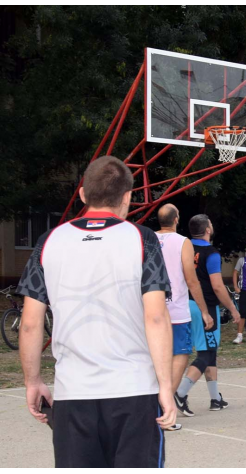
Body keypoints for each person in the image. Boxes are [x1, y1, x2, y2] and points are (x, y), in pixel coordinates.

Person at [17, 156, 175, 467]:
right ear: (128, 197)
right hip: (134, 391)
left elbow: (30, 324)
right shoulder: (143, 240)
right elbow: (156, 317)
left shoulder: (49, 241)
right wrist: (166, 386)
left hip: (72, 393)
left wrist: (32, 381)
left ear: (83, 194)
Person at [174, 214, 241, 417]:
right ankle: (180, 393)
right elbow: (218, 286)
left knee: (209, 351)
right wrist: (232, 308)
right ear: (208, 229)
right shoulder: (210, 254)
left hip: (182, 304)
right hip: (204, 306)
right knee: (206, 354)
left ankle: (215, 398)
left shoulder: (182, 249)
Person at [155, 203, 212, 432]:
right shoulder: (182, 242)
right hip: (176, 310)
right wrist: (204, 310)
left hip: (151, 309)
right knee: (181, 354)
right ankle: (165, 409)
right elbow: (191, 279)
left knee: (153, 359)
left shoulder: (146, 239)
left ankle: (151, 407)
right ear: (176, 219)